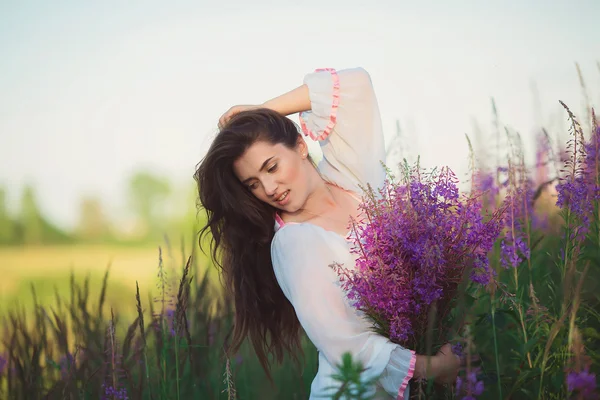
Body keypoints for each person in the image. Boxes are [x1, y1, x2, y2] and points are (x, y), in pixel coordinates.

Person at [195, 67, 460, 399]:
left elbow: (355, 86)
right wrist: (435, 370)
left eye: (272, 167)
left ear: (300, 146)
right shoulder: (294, 243)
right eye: (253, 184)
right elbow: (346, 346)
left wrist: (263, 112)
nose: (269, 188)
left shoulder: (353, 178)